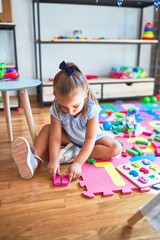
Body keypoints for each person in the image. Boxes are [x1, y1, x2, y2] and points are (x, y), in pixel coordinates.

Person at [12, 61, 122, 182]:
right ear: (55, 96)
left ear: (86, 94)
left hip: (93, 140)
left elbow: (90, 139)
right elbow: (55, 137)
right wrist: (54, 161)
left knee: (115, 147)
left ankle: (75, 153)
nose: (70, 111)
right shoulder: (56, 109)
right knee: (46, 129)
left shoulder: (92, 109)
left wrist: (78, 163)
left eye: (75, 106)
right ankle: (33, 162)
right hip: (70, 137)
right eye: (64, 106)